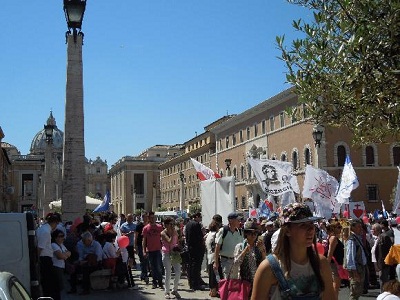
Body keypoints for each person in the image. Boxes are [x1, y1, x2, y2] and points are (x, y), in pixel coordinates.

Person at [251, 203, 334, 300]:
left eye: (311, 224)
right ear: (287, 231)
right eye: (303, 225)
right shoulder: (268, 269)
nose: (311, 229)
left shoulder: (321, 264)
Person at [230, 220, 266, 299]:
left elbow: (265, 264)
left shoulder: (259, 247)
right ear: (246, 233)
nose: (253, 235)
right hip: (244, 281)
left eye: (255, 233)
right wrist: (244, 252)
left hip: (257, 281)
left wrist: (263, 251)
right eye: (250, 233)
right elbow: (235, 264)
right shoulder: (240, 246)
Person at [214, 212, 243, 279]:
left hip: (237, 261)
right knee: (227, 280)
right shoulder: (223, 231)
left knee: (236, 281)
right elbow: (217, 247)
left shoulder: (240, 232)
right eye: (238, 220)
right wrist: (216, 262)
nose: (239, 222)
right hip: (226, 261)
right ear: (231, 220)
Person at [36, 213, 59, 299]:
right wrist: (37, 260)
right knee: (49, 282)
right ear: (54, 223)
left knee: (49, 281)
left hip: (45, 258)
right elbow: (40, 248)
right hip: (45, 259)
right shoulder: (45, 232)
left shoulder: (43, 229)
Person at [345, 218, 368, 300]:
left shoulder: (358, 238)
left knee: (358, 292)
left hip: (360, 268)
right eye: (358, 227)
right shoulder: (352, 240)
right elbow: (350, 258)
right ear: (353, 228)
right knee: (354, 294)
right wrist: (354, 273)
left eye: (361, 227)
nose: (361, 228)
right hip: (357, 270)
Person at [184, 211, 207, 290]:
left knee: (191, 266)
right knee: (196, 266)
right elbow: (199, 237)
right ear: (197, 217)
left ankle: (192, 282)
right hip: (197, 248)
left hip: (190, 247)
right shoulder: (196, 224)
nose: (200, 219)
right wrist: (203, 233)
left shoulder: (188, 224)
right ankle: (195, 284)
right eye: (200, 217)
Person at [161, 217, 182, 299]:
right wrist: (173, 232)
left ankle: (175, 289)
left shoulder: (175, 231)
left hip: (174, 253)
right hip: (166, 254)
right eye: (171, 224)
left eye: (173, 223)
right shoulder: (163, 233)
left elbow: (177, 240)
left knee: (178, 272)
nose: (172, 225)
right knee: (168, 273)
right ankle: (167, 292)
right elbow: (169, 241)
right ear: (166, 225)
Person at [142, 211, 164, 289]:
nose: (152, 219)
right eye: (151, 218)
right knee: (152, 267)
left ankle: (160, 281)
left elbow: (163, 237)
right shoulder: (146, 228)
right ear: (148, 218)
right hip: (150, 250)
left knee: (158, 266)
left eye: (153, 217)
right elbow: (144, 240)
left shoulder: (159, 227)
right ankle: (154, 282)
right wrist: (144, 251)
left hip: (158, 250)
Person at [51, 229, 72, 300]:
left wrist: (64, 255)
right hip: (56, 268)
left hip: (61, 267)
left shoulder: (61, 245)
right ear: (55, 238)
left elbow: (69, 253)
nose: (63, 238)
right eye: (60, 236)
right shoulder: (53, 245)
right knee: (58, 287)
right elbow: (59, 256)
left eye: (63, 236)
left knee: (60, 287)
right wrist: (65, 255)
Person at [325, 222, 344, 299]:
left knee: (336, 285)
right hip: (334, 264)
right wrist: (327, 265)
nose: (340, 229)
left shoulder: (333, 237)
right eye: (338, 227)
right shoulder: (333, 238)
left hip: (335, 264)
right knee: (336, 285)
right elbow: (330, 253)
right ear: (333, 229)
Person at [205, 219, 223, 297]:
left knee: (211, 275)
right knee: (216, 275)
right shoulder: (215, 234)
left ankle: (211, 290)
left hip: (209, 255)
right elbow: (216, 246)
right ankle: (214, 291)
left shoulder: (208, 234)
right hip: (214, 256)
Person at [135, 213, 150, 283]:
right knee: (143, 260)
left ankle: (143, 275)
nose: (146, 218)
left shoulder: (149, 225)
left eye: (147, 217)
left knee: (146, 261)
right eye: (145, 217)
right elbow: (136, 236)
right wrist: (135, 246)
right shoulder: (139, 225)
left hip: (149, 245)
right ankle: (145, 275)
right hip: (140, 245)